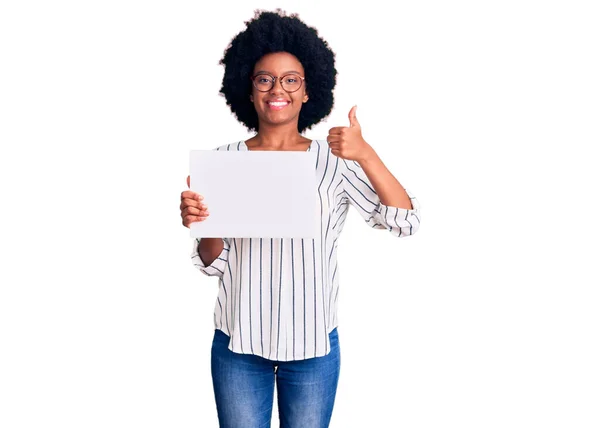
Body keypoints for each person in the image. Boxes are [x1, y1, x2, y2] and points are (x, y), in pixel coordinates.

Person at [179, 9, 421, 428]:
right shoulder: (223, 162)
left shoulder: (335, 163)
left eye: (291, 79)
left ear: (308, 91)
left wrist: (366, 154)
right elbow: (212, 263)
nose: (279, 89)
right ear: (249, 89)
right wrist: (205, 224)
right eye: (265, 79)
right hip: (239, 345)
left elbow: (404, 221)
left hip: (312, 347)